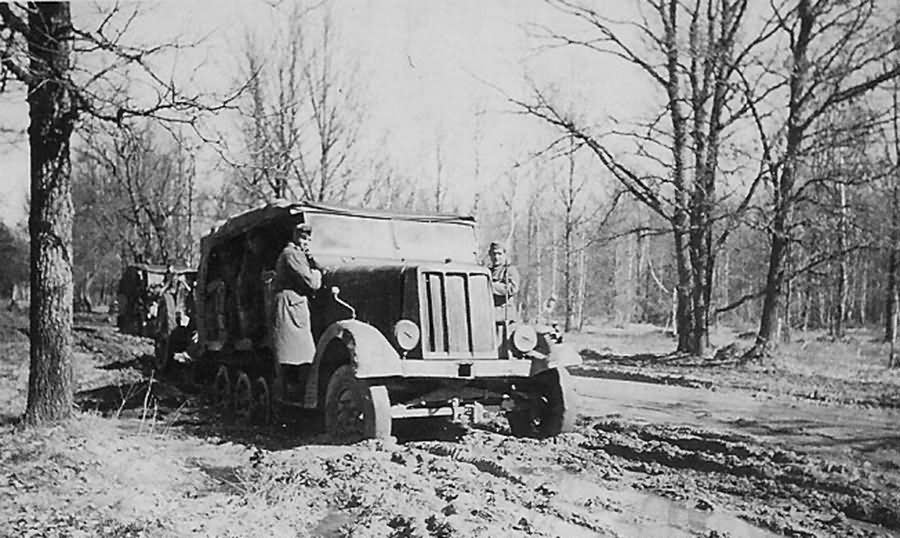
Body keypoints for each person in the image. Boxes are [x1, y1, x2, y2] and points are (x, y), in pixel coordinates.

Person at [272, 222, 322, 366]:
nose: (305, 242)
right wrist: (317, 273)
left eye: (307, 239)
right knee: (298, 357)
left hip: (293, 305)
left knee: (299, 356)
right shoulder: (292, 254)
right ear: (295, 237)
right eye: (302, 238)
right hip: (291, 306)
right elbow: (312, 283)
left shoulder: (298, 254)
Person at [488, 241, 520, 322]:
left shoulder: (510, 270)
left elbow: (512, 289)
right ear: (490, 255)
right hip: (490, 312)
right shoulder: (487, 271)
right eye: (494, 254)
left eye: (499, 254)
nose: (496, 257)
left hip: (505, 315)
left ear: (505, 255)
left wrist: (491, 286)